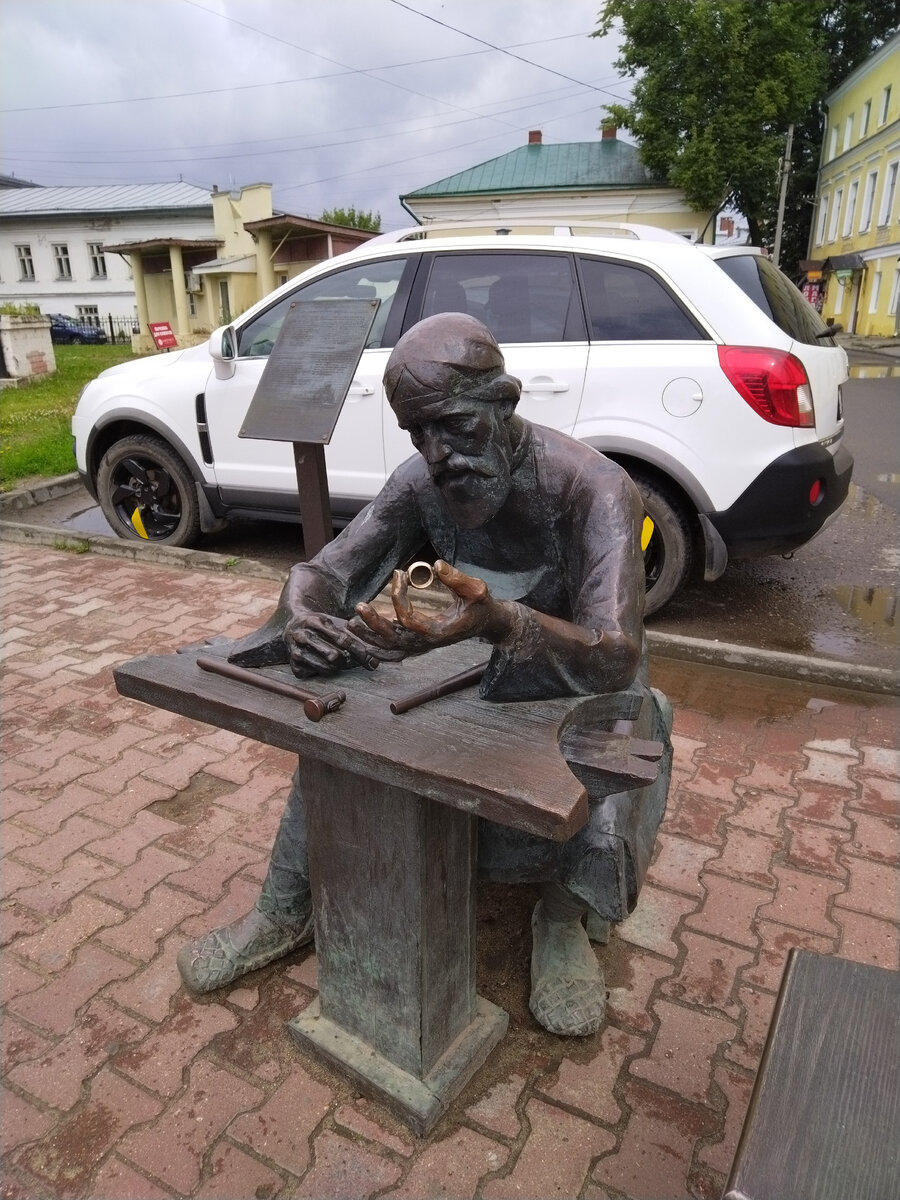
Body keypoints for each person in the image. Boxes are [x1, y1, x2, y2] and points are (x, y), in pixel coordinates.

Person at [177, 312, 671, 1037]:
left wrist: (501, 622)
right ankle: (282, 912)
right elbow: (322, 573)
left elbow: (613, 649)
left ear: (504, 406)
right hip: (465, 662)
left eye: (456, 428)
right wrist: (308, 617)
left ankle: (565, 919)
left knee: (624, 742)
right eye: (419, 435)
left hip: (578, 676)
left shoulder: (595, 489)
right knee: (335, 725)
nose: (438, 455)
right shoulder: (420, 483)